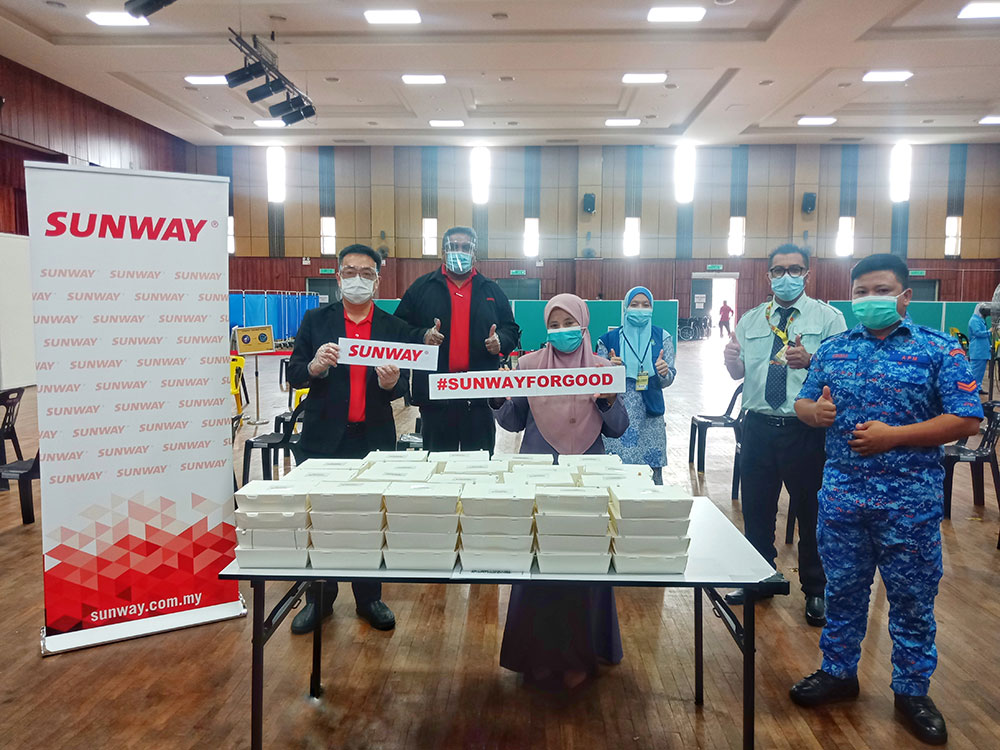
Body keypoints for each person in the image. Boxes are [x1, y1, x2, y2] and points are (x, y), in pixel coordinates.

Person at [790, 253, 982, 746]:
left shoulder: (940, 350)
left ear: (904, 296)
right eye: (861, 292)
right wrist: (816, 413)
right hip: (842, 500)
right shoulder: (834, 349)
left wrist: (894, 436)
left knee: (913, 601)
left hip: (909, 505)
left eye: (881, 291)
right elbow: (804, 402)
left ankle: (913, 691)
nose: (869, 300)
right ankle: (838, 672)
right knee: (843, 593)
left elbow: (966, 419)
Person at [491, 294, 628, 689]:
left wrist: (607, 400)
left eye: (571, 322)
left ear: (584, 325)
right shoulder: (528, 365)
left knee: (583, 568)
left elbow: (619, 427)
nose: (563, 330)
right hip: (538, 480)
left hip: (587, 480)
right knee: (537, 569)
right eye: (555, 323)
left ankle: (581, 656)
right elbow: (515, 419)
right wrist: (498, 396)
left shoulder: (603, 369)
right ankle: (535, 655)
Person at [286, 243, 423, 634]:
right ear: (338, 276)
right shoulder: (316, 320)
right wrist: (313, 367)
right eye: (350, 271)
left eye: (366, 273)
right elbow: (294, 373)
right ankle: (319, 600)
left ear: (377, 281)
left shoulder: (392, 328)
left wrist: (395, 383)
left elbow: (404, 388)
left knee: (369, 519)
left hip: (372, 440)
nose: (357, 279)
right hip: (322, 439)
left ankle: (369, 598)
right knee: (321, 519)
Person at [723, 244, 846, 627]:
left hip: (804, 429)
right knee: (756, 509)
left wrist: (812, 361)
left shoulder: (828, 319)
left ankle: (816, 589)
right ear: (768, 276)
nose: (786, 276)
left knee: (811, 511)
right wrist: (732, 364)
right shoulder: (751, 319)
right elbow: (739, 375)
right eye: (778, 270)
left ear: (807, 274)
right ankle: (759, 578)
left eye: (794, 269)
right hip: (757, 425)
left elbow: (843, 376)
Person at [394, 226, 519, 452]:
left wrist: (500, 341)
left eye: (465, 247)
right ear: (443, 252)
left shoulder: (491, 290)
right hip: (436, 396)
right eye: (453, 247)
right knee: (438, 467)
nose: (458, 251)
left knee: (480, 467)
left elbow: (511, 328)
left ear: (474, 253)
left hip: (479, 397)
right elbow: (398, 329)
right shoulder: (421, 288)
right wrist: (422, 336)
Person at [596, 286, 676, 484]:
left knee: (649, 475)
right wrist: (610, 369)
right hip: (617, 414)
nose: (640, 309)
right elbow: (598, 381)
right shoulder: (608, 340)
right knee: (615, 473)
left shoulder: (663, 337)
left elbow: (669, 377)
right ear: (625, 307)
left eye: (646, 305)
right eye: (634, 304)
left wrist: (664, 372)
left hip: (650, 416)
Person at [968, 303, 992, 394]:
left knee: (980, 372)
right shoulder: (974, 320)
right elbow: (977, 333)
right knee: (975, 370)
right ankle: (972, 388)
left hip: (982, 350)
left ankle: (977, 387)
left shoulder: (980, 320)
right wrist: (989, 331)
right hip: (978, 350)